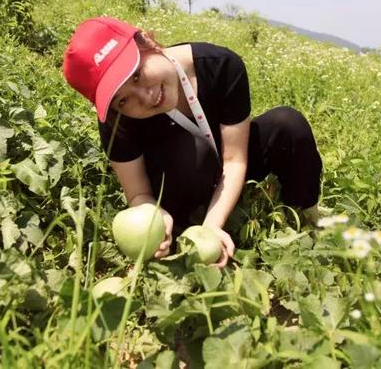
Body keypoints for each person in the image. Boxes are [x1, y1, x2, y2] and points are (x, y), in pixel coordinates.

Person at [63, 17, 322, 268]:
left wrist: (212, 227)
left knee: (288, 124)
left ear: (149, 43)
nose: (144, 96)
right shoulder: (116, 121)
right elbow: (138, 193)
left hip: (228, 161)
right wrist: (155, 215)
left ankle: (306, 220)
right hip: (178, 176)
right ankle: (180, 227)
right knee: (191, 154)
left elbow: (234, 160)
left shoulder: (220, 65)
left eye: (137, 75)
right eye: (123, 100)